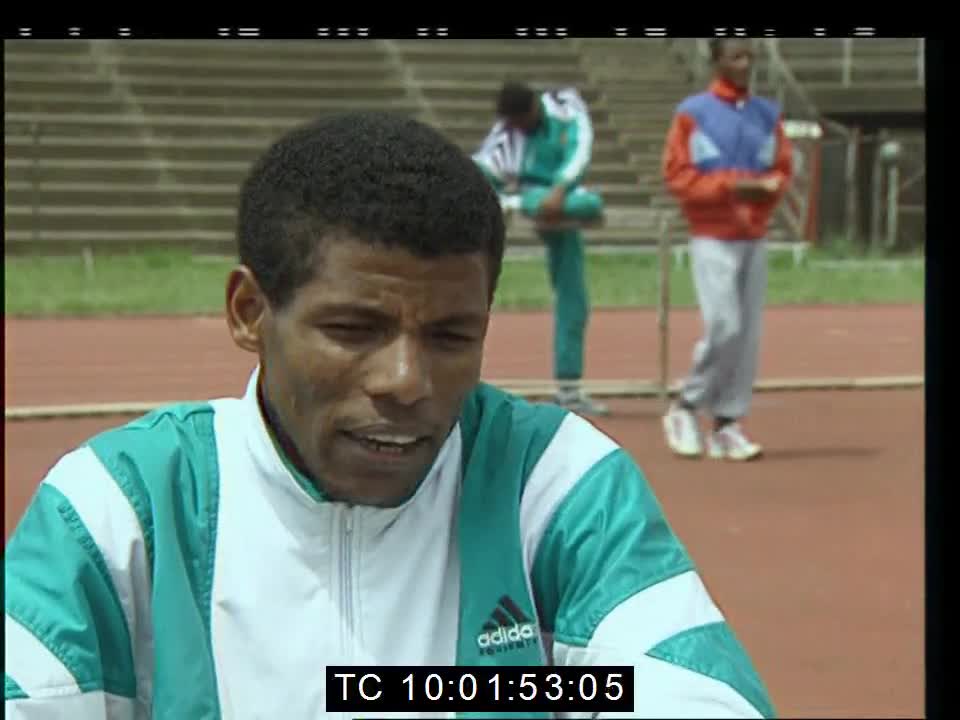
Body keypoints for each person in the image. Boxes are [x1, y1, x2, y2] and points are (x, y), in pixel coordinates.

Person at [4, 112, 775, 719]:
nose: (407, 381)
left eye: (450, 336)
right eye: (353, 330)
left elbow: (685, 690)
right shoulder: (120, 508)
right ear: (249, 311)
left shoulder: (557, 485)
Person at [661, 38, 793, 461]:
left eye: (749, 55)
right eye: (735, 55)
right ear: (716, 60)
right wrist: (733, 189)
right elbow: (678, 176)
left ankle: (727, 421)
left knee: (748, 335)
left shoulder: (767, 115)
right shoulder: (692, 114)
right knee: (725, 326)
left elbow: (782, 169)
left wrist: (762, 198)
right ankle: (684, 405)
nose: (745, 63)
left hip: (753, 237)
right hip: (713, 235)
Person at [473, 81, 608, 416]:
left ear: (535, 106)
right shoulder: (505, 132)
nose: (520, 129)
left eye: (524, 122)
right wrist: (520, 201)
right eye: (514, 125)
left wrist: (560, 191)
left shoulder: (564, 105)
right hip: (530, 198)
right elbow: (482, 168)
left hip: (562, 201)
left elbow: (582, 145)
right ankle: (521, 204)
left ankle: (569, 389)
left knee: (574, 293)